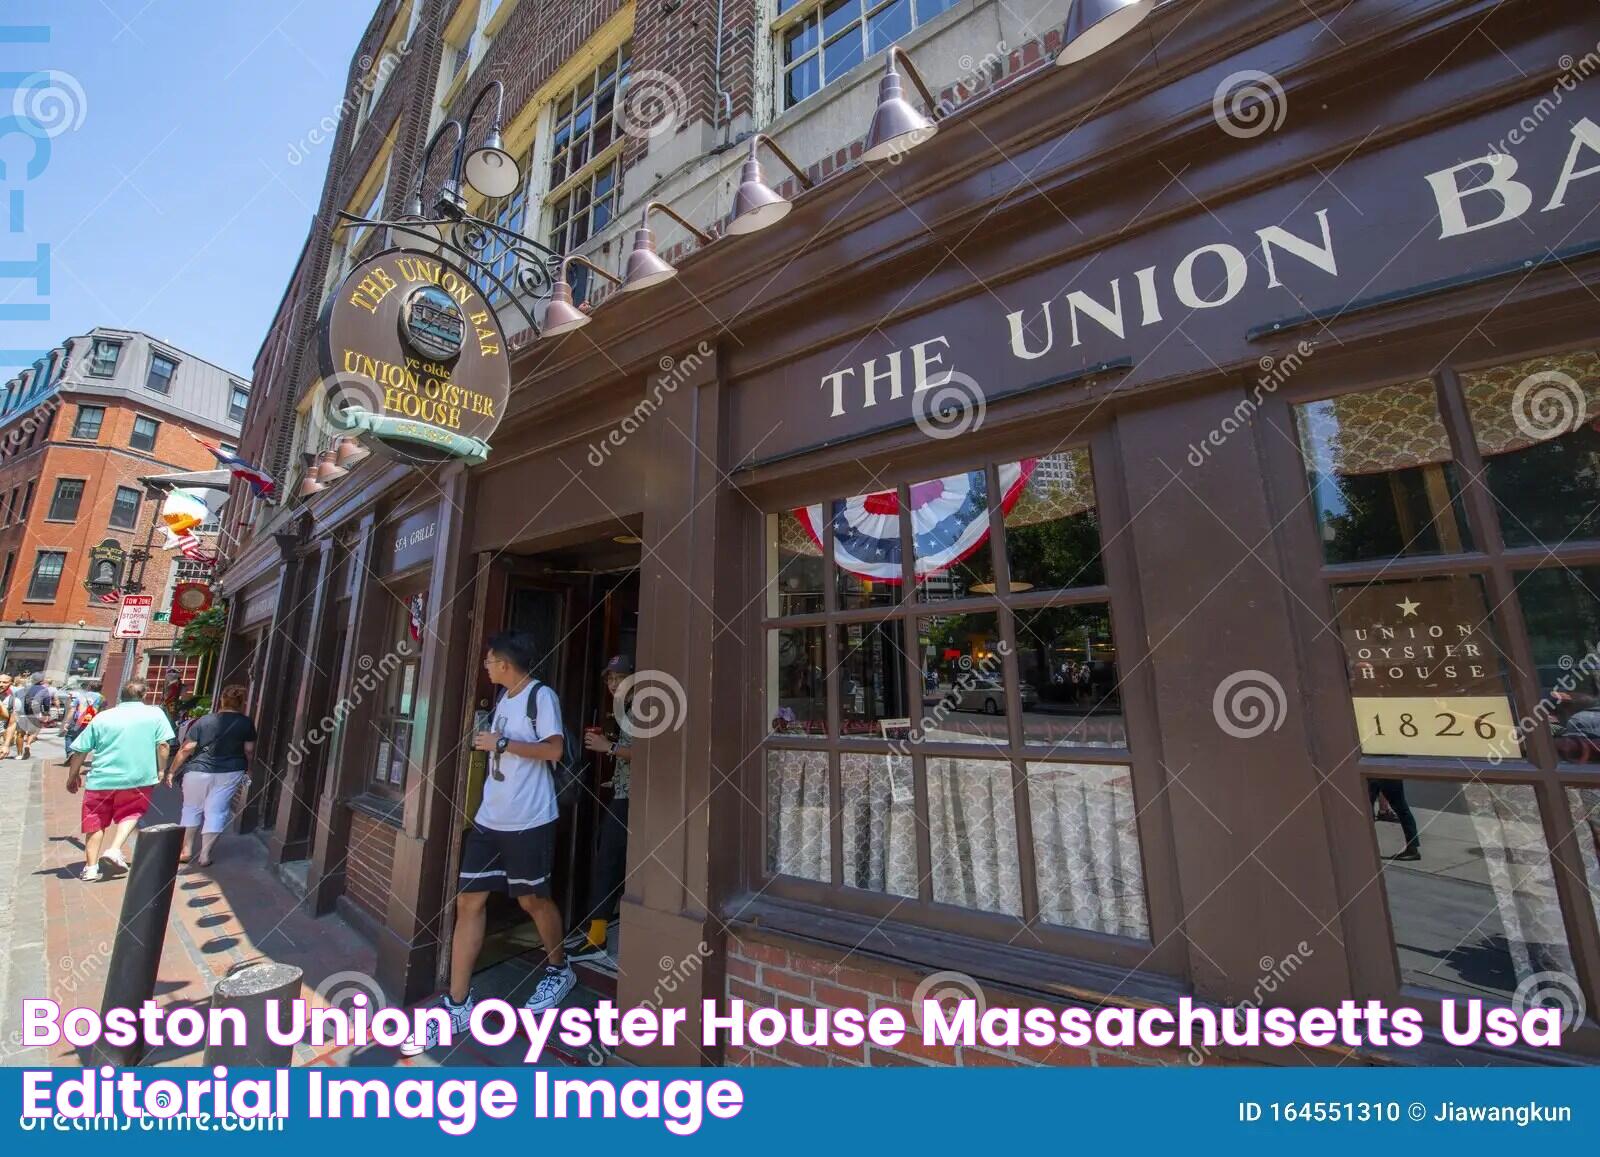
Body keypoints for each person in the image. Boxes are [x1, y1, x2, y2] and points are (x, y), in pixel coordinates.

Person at [401, 632, 573, 1055]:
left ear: (507, 662)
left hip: (528, 819)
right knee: (469, 901)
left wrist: (500, 743)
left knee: (532, 900)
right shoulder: (503, 701)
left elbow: (554, 749)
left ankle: (559, 967)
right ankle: (458, 1003)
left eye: (490, 660)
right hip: (489, 819)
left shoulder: (540, 696)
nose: (486, 666)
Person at [65, 680, 175, 882]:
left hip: (101, 778)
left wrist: (73, 775)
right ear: (144, 695)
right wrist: (161, 769)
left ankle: (90, 868)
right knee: (132, 812)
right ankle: (115, 848)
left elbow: (81, 750)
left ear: (121, 695)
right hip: (138, 777)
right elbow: (163, 745)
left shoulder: (103, 717)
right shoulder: (155, 714)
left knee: (95, 821)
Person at [570, 655, 637, 963]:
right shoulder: (624, 709)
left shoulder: (641, 707)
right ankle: (603, 925)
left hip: (634, 798)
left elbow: (647, 752)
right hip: (624, 792)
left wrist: (606, 747)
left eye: (619, 678)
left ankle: (597, 938)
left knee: (607, 856)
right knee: (609, 852)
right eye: (609, 679)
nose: (613, 684)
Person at [163, 684, 256, 869]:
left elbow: (187, 748)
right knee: (217, 810)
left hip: (197, 770)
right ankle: (205, 854)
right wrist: (249, 769)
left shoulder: (204, 721)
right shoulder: (246, 723)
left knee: (191, 808)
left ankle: (186, 850)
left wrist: (172, 771)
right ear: (242, 702)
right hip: (230, 771)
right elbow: (249, 750)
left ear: (222, 700)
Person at [14, 673, 51, 759]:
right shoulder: (44, 690)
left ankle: (19, 754)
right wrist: (46, 713)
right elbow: (46, 702)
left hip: (22, 713)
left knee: (20, 734)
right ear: (42, 681)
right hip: (35, 713)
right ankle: (28, 745)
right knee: (33, 732)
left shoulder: (25, 688)